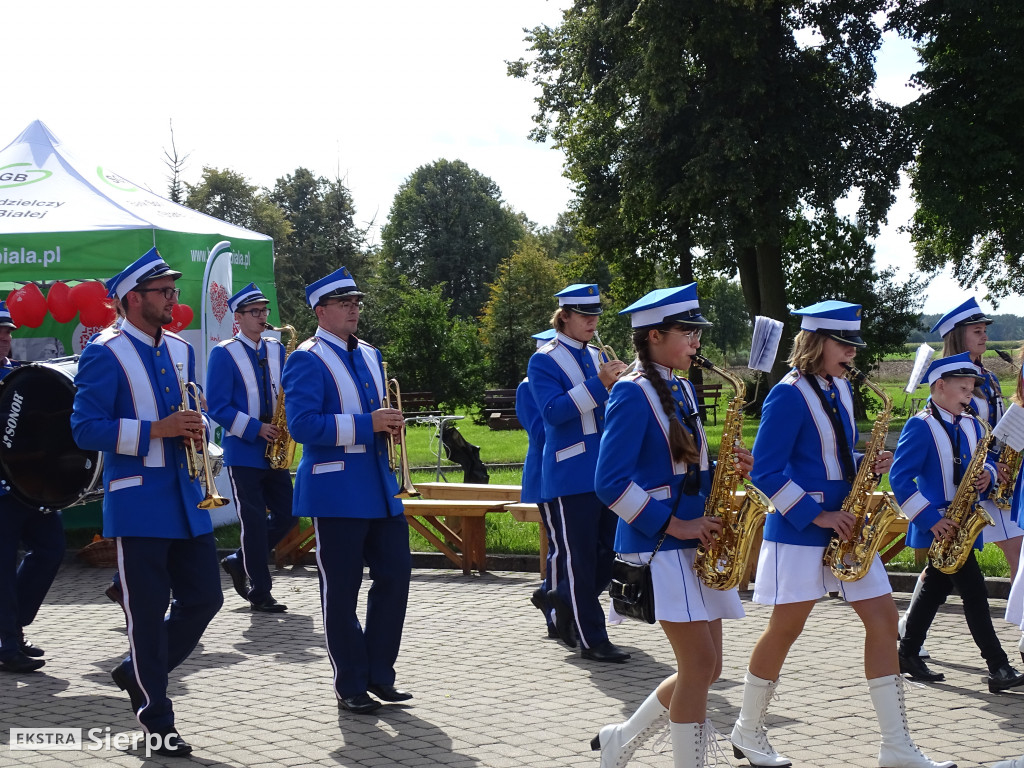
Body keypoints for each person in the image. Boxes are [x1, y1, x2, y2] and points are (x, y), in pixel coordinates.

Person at [731, 301, 952, 768]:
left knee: (884, 620)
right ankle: (747, 730)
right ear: (815, 343)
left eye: (854, 344)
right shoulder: (787, 393)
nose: (852, 353)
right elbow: (766, 471)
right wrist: (817, 515)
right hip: (800, 528)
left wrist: (867, 465)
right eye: (844, 343)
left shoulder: (841, 389)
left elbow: (832, 454)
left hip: (849, 527)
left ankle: (896, 746)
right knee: (786, 630)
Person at [71, 248, 223, 757]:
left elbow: (190, 408)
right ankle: (157, 719)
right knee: (148, 611)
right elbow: (84, 428)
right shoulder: (104, 351)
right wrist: (155, 430)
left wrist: (197, 424)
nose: (173, 300)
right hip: (137, 503)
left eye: (174, 292)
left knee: (207, 599)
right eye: (164, 293)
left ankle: (136, 671)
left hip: (187, 498)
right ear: (132, 299)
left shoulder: (182, 349)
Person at [593, 284, 750, 768]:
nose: (697, 342)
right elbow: (609, 482)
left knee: (708, 667)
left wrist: (728, 466)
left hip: (694, 540)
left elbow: (680, 466)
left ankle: (621, 741)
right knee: (700, 665)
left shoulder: (680, 386)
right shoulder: (632, 392)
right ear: (656, 336)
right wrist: (676, 526)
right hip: (660, 545)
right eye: (689, 333)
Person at [282, 266, 412, 715]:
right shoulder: (306, 356)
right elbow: (301, 426)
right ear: (321, 311)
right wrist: (367, 424)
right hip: (335, 490)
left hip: (380, 487)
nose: (354, 309)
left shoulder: (373, 355)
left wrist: (390, 426)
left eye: (356, 302)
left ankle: (380, 673)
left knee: (395, 577)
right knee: (341, 591)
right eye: (344, 303)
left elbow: (377, 412)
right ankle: (350, 682)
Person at [890, 351, 1024, 695]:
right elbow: (900, 479)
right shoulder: (920, 425)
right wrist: (931, 520)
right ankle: (998, 666)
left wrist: (988, 477)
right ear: (939, 386)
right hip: (940, 523)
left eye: (972, 388)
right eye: (963, 388)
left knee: (935, 588)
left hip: (965, 520)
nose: (970, 394)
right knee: (976, 595)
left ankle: (906, 652)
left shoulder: (969, 423)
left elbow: (989, 461)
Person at [528, 284, 629, 662]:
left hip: (607, 470)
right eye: (584, 315)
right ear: (564, 316)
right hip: (570, 474)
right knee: (581, 559)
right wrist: (600, 383)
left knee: (612, 552)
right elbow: (553, 413)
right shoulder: (545, 359)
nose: (592, 321)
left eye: (596, 314)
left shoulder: (595, 354)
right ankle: (592, 639)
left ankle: (563, 594)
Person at [207, 283, 293, 613]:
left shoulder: (277, 349)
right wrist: (257, 428)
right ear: (238, 317)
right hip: (244, 448)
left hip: (277, 447)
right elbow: (218, 405)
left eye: (264, 311)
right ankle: (260, 591)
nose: (261, 317)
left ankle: (239, 560)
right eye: (254, 312)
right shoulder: (224, 352)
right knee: (254, 522)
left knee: (288, 515)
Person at [0, 301, 66, 674]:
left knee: (51, 549)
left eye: (8, 332)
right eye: (0, 332)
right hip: (2, 492)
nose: (5, 338)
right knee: (2, 567)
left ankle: (11, 625)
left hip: (31, 486)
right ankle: (8, 642)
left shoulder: (22, 377)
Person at [517, 329, 560, 639]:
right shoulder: (528, 387)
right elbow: (541, 432)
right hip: (547, 473)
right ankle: (553, 605)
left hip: (567, 473)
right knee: (561, 546)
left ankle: (550, 594)